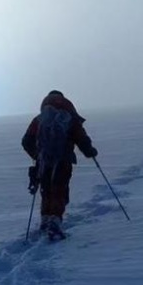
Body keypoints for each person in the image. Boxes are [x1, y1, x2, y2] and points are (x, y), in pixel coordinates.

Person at [22, 90, 98, 240]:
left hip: (44, 161)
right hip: (63, 159)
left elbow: (26, 141)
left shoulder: (39, 119)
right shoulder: (69, 118)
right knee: (59, 190)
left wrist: (37, 156)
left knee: (47, 190)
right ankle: (55, 222)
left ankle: (45, 220)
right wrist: (90, 152)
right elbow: (82, 139)